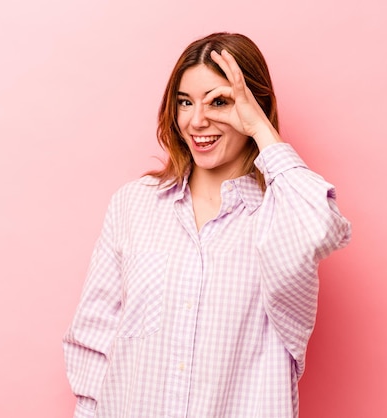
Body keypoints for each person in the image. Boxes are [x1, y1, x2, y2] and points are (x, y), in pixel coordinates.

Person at [63, 32, 351, 418]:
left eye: (220, 102)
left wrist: (262, 130)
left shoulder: (278, 217)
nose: (197, 120)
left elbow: (322, 228)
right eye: (185, 102)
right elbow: (93, 339)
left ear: (254, 107)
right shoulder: (134, 205)